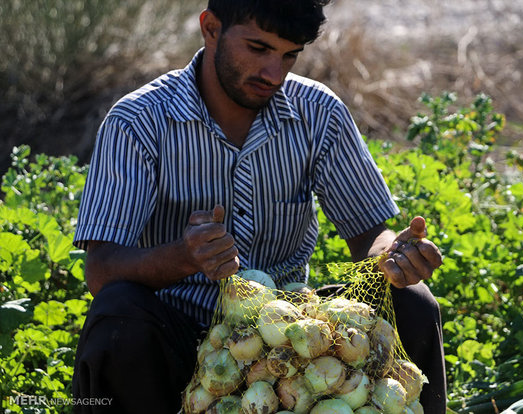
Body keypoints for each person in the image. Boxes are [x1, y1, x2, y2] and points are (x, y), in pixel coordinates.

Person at [72, 0, 447, 412]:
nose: (274, 73)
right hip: (175, 337)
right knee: (117, 315)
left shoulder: (318, 113)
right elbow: (101, 270)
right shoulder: (139, 121)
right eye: (257, 48)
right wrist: (184, 256)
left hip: (289, 345)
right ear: (211, 28)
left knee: (412, 301)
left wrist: (392, 256)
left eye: (289, 55)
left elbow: (368, 233)